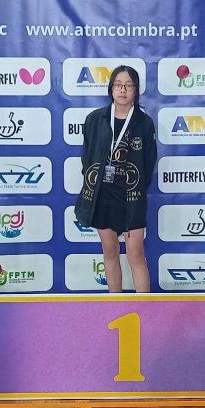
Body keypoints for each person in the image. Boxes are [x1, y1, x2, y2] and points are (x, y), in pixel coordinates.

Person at [75, 65, 156, 292]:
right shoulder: (95, 120)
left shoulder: (144, 123)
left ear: (136, 90)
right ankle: (115, 304)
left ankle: (144, 308)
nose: (123, 90)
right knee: (109, 251)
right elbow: (87, 157)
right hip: (102, 196)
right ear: (111, 88)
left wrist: (133, 185)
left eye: (129, 85)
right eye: (118, 85)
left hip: (131, 197)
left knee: (135, 253)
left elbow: (149, 163)